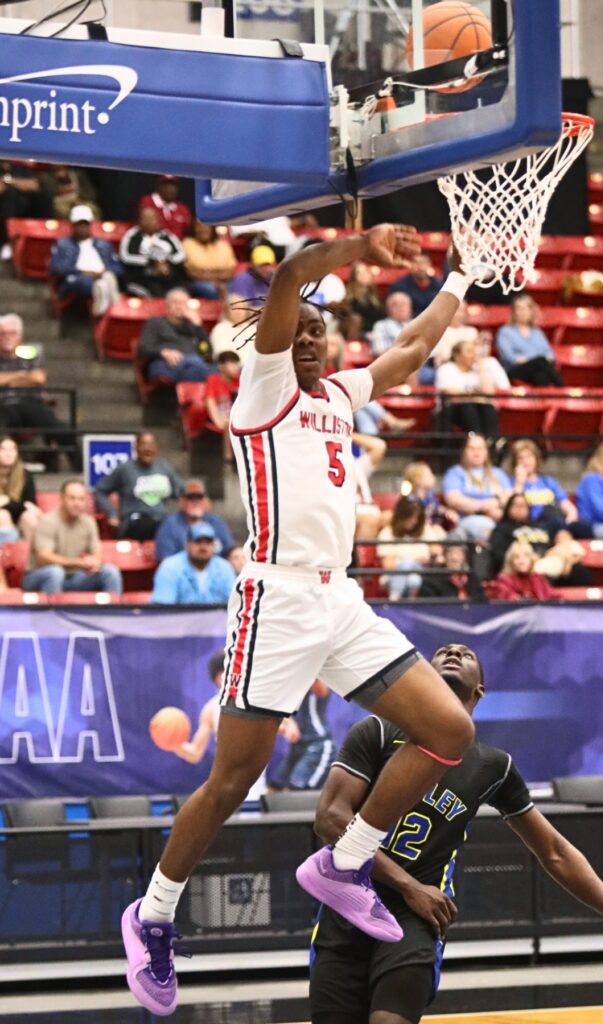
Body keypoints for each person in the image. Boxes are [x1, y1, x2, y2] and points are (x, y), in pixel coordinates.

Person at [121, 223, 478, 1017]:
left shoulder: (341, 394)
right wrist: (359, 248)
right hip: (276, 599)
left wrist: (460, 279)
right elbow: (288, 277)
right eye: (303, 331)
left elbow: (413, 349)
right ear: (281, 340)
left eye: (323, 332)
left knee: (449, 731)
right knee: (232, 781)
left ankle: (344, 864)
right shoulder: (264, 386)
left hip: (339, 599)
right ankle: (150, 917)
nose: (312, 340)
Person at [308, 642, 603, 1024]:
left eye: (466, 654)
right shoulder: (378, 731)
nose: (453, 652)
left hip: (416, 916)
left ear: (479, 691)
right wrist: (407, 885)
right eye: (443, 651)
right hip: (347, 900)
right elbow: (331, 819)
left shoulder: (492, 766)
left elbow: (554, 851)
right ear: (424, 675)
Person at [163, 650, 269, 805]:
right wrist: (173, 743)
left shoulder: (258, 701)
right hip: (229, 795)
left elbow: (288, 730)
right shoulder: (211, 709)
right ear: (221, 678)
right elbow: (194, 753)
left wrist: (286, 726)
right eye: (238, 669)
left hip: (258, 794)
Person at [0, 313, 78, 469]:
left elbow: (38, 378)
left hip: (31, 403)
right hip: (3, 405)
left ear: (20, 336)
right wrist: (23, 376)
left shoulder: (32, 352)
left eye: (12, 333)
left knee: (64, 431)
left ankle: (80, 471)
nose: (7, 337)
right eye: (2, 333)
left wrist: (8, 379)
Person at [22, 479, 122, 596]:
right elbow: (44, 558)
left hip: (73, 577)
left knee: (110, 572)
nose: (77, 503)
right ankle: (52, 613)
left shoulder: (89, 522)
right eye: (72, 498)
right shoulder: (48, 521)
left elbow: (97, 551)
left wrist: (95, 562)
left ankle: (112, 613)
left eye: (81, 499)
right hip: (38, 575)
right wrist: (79, 562)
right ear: (62, 499)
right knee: (55, 572)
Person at [95, 431, 184, 541]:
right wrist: (111, 513)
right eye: (143, 444)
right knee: (150, 524)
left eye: (151, 444)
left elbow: (181, 492)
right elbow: (100, 491)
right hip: (134, 522)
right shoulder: (125, 469)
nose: (148, 449)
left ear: (157, 448)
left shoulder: (164, 467)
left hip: (161, 521)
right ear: (135, 448)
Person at [488, 492, 590, 586]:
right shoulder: (502, 528)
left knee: (579, 571)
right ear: (508, 508)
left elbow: (557, 543)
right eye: (516, 506)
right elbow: (499, 554)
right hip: (524, 565)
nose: (520, 509)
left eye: (523, 506)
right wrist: (526, 560)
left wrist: (566, 560)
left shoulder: (541, 526)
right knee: (541, 574)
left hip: (548, 560)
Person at [509, 438, 591, 536]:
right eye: (520, 458)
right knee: (550, 513)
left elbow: (567, 506)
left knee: (585, 527)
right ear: (515, 462)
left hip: (557, 522)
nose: (525, 462)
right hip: (534, 524)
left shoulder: (547, 482)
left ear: (536, 459)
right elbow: (512, 510)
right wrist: (519, 483)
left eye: (529, 457)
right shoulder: (512, 483)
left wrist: (570, 517)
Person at [49, 205, 121, 316]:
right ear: (72, 226)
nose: (82, 228)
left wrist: (103, 272)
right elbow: (56, 267)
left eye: (85, 224)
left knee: (109, 277)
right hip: (76, 277)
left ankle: (111, 308)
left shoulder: (104, 244)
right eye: (79, 225)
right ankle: (108, 307)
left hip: (102, 274)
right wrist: (82, 272)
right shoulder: (62, 244)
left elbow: (118, 267)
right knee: (89, 282)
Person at [442, 433, 512, 542]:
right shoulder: (455, 473)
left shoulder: (498, 473)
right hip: (468, 519)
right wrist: (486, 507)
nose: (476, 452)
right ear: (465, 451)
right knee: (491, 533)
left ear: (486, 452)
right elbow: (453, 499)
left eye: (480, 448)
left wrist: (478, 505)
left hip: (499, 520)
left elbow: (510, 498)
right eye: (472, 448)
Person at [136, 288, 214, 384]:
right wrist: (163, 352)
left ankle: (186, 394)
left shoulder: (193, 327)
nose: (179, 306)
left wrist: (198, 327)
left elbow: (206, 351)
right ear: (167, 306)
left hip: (193, 363)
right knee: (202, 370)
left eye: (182, 303)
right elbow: (143, 348)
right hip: (165, 364)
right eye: (175, 302)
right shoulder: (155, 322)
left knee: (207, 369)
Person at [269, 680, 335, 791]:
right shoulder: (286, 685)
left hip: (317, 745)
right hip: (297, 747)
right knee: (274, 787)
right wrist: (287, 723)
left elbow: (322, 691)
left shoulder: (314, 681)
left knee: (295, 791)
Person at [376, 495, 446, 601]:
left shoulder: (425, 530)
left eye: (417, 517)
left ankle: (394, 599)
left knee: (413, 574)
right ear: (401, 516)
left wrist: (427, 559)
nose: (414, 521)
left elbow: (436, 552)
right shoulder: (387, 533)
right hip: (394, 575)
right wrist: (413, 560)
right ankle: (405, 603)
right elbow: (388, 564)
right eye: (411, 517)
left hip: (422, 570)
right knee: (413, 579)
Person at [435, 337, 509, 436]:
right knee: (467, 407)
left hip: (477, 408)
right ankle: (476, 439)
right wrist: (476, 396)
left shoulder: (477, 371)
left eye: (474, 351)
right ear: (457, 355)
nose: (474, 355)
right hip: (451, 411)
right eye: (469, 351)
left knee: (488, 407)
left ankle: (492, 442)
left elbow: (489, 393)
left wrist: (482, 366)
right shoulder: (447, 369)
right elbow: (451, 393)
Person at [151, 522, 237, 605]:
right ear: (187, 544)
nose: (203, 547)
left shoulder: (225, 568)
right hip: (180, 619)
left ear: (214, 545)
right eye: (198, 542)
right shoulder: (169, 567)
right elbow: (162, 610)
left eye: (208, 542)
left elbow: (234, 606)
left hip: (218, 619)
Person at [154, 479, 234, 561]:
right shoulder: (169, 525)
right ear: (181, 502)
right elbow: (165, 561)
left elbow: (230, 551)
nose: (195, 502)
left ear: (206, 502)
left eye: (199, 498)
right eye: (190, 498)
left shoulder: (216, 522)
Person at [496, 294, 564, 386]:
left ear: (531, 311)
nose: (522, 312)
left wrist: (527, 359)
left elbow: (550, 355)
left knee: (540, 376)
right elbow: (510, 358)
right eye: (519, 308)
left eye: (526, 308)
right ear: (514, 312)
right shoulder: (505, 331)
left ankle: (542, 399)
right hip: (515, 370)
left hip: (536, 369)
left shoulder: (537, 332)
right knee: (540, 361)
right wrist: (535, 359)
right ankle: (563, 389)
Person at [119, 207, 186, 298]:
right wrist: (152, 263)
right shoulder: (132, 235)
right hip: (142, 278)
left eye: (152, 218)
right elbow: (125, 256)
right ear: (139, 220)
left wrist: (166, 262)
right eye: (145, 219)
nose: (149, 222)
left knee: (181, 291)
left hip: (167, 276)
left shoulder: (167, 236)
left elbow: (181, 255)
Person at [0, 160, 52, 260]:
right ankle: (8, 242)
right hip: (4, 205)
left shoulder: (21, 166)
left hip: (25, 206)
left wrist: (8, 181)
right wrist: (18, 184)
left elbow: (34, 185)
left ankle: (46, 235)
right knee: (11, 196)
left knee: (44, 197)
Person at [0, 435, 41, 543]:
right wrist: (18, 504)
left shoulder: (25, 475)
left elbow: (30, 505)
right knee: (3, 515)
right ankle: (7, 557)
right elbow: (23, 504)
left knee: (30, 518)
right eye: (3, 449)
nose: (8, 453)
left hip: (19, 518)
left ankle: (35, 557)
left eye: (12, 449)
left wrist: (7, 501)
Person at [182, 220, 237, 300]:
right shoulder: (187, 243)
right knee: (210, 289)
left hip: (224, 281)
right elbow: (191, 272)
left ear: (212, 228)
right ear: (193, 228)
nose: (203, 229)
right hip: (198, 282)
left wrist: (207, 274)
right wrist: (215, 281)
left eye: (207, 225)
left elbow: (230, 272)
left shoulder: (223, 245)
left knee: (237, 286)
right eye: (199, 226)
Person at [489, 541, 560, 601]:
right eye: (516, 557)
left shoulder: (538, 578)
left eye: (526, 556)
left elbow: (552, 596)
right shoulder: (504, 579)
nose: (522, 561)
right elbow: (508, 598)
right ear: (511, 561)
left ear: (531, 559)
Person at [138, 175, 192, 239]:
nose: (170, 188)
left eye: (173, 185)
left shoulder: (183, 209)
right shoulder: (147, 202)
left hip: (177, 246)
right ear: (159, 186)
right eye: (166, 185)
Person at [344, 260, 384, 338]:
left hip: (375, 332)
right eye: (359, 273)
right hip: (358, 333)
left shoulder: (375, 296)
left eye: (365, 272)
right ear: (354, 277)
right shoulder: (349, 297)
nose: (363, 275)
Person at [204, 351, 241, 436]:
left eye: (237, 364)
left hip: (237, 418)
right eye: (232, 364)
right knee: (229, 427)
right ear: (220, 366)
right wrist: (218, 420)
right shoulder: (213, 379)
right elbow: (210, 401)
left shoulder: (240, 379)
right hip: (220, 418)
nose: (236, 367)